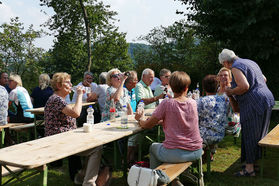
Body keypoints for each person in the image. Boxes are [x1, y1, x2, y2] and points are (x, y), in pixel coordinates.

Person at [135, 71, 203, 185]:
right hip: (196, 150)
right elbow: (182, 121)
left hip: (177, 153)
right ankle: (174, 180)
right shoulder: (193, 102)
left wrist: (139, 119)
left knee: (153, 147)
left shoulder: (167, 104)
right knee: (162, 147)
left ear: (170, 86)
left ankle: (156, 180)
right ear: (186, 88)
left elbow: (147, 125)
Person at [219, 49, 275, 176]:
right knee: (260, 134)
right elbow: (264, 79)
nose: (224, 67)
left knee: (250, 133)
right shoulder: (250, 62)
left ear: (226, 62)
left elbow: (244, 86)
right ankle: (254, 163)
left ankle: (249, 170)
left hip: (254, 102)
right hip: (266, 98)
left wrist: (231, 91)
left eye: (223, 64)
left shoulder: (235, 67)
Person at [44, 72, 104, 186]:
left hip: (66, 137)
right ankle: (88, 182)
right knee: (96, 147)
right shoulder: (56, 99)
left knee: (94, 142)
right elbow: (76, 113)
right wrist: (80, 94)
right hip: (58, 140)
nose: (71, 84)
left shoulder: (59, 99)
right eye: (67, 82)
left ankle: (81, 176)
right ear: (58, 85)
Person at [197, 75, 229, 160]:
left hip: (205, 136)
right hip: (220, 133)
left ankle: (198, 155)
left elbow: (195, 118)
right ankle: (210, 152)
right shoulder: (224, 100)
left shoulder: (201, 101)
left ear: (204, 87)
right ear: (217, 86)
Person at [217, 68, 241, 137]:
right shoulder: (217, 89)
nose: (223, 77)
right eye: (221, 75)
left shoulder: (233, 90)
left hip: (230, 122)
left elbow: (237, 110)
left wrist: (230, 96)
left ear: (230, 78)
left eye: (225, 75)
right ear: (218, 78)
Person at [123, 71, 139, 164]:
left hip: (133, 116)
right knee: (133, 137)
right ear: (129, 82)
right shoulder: (124, 90)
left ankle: (132, 158)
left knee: (138, 136)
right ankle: (126, 160)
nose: (137, 82)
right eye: (136, 80)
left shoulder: (133, 90)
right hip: (126, 118)